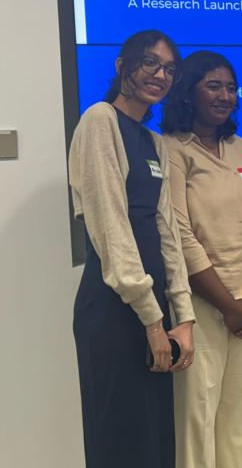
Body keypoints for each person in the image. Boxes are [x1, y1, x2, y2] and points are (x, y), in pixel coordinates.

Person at [68, 29, 195, 468]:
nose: (159, 75)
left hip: (152, 310)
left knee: (155, 443)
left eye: (169, 69)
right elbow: (111, 228)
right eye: (149, 63)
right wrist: (153, 320)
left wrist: (184, 317)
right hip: (114, 308)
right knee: (119, 443)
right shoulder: (99, 121)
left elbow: (168, 234)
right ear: (123, 65)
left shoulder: (153, 141)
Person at [160, 50, 242, 468]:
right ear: (188, 91)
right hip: (202, 305)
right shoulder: (171, 149)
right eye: (213, 85)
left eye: (230, 87)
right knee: (198, 414)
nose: (224, 95)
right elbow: (179, 235)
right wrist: (227, 306)